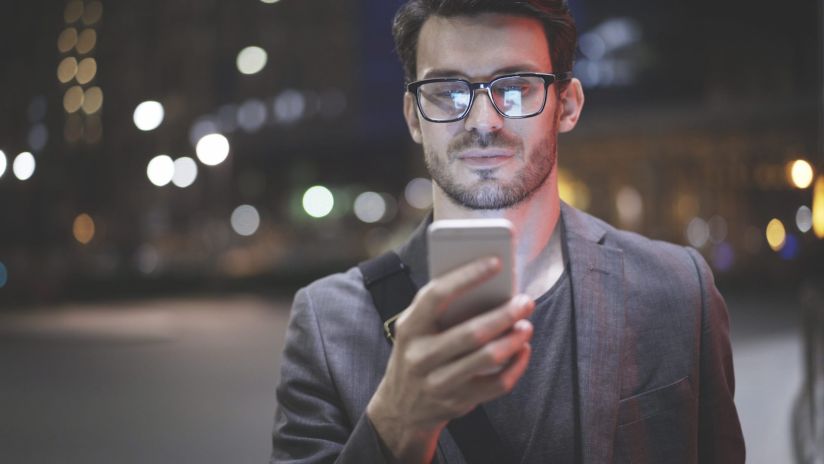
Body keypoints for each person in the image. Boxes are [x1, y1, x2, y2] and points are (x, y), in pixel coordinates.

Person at [270, 0, 745, 462]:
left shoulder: (677, 290)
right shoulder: (328, 324)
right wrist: (396, 420)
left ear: (567, 105)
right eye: (448, 92)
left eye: (514, 88)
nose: (482, 121)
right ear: (414, 115)